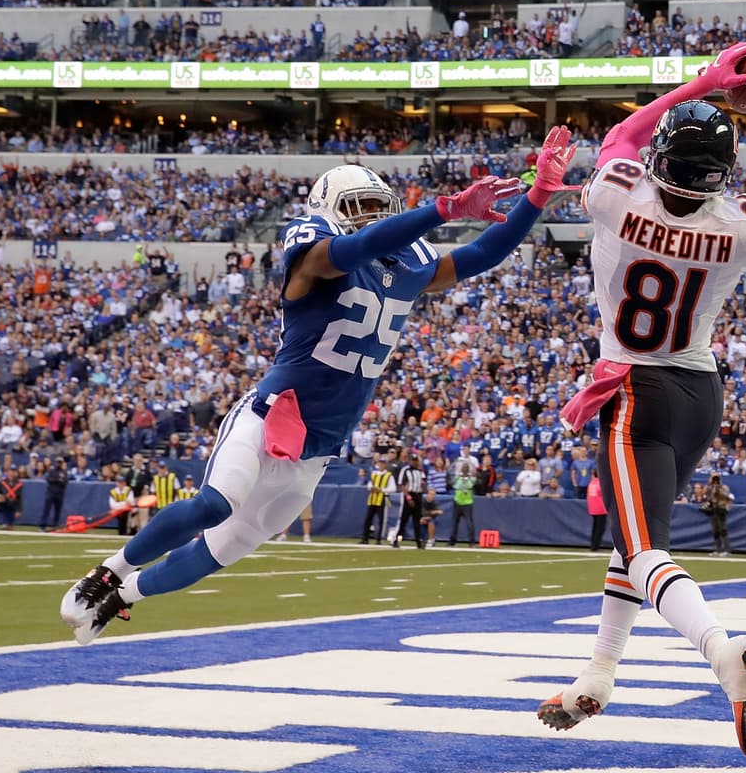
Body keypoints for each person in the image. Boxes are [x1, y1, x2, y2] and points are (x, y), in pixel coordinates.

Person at [60, 125, 578, 645]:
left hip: (319, 448)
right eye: (359, 208)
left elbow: (483, 254)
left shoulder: (410, 264)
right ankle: (108, 571)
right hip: (270, 415)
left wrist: (536, 198)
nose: (374, 217)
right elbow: (350, 252)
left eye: (380, 205)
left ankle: (123, 598)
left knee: (221, 550)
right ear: (328, 209)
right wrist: (441, 211)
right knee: (215, 504)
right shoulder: (314, 249)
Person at [536, 41, 746, 758]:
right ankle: (599, 675)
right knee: (635, 540)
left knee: (644, 545)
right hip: (700, 392)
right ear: (719, 174)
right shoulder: (739, 229)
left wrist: (702, 82)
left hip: (635, 390)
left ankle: (722, 651)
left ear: (660, 161)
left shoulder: (619, 194)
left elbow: (621, 137)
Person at [391, 449, 429, 547]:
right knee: (404, 519)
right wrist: (408, 497)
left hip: (418, 495)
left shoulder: (420, 471)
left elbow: (424, 483)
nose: (415, 462)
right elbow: (402, 485)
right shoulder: (405, 470)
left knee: (417, 520)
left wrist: (424, 485)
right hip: (409, 495)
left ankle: (418, 541)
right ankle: (395, 539)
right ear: (410, 461)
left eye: (416, 460)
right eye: (413, 460)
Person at [360, 456, 395, 544]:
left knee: (381, 520)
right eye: (380, 463)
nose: (381, 465)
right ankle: (365, 538)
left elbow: (393, 488)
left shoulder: (389, 475)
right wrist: (372, 488)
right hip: (372, 499)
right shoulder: (374, 474)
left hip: (382, 499)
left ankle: (379, 539)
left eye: (383, 463)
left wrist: (381, 490)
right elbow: (369, 485)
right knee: (368, 519)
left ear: (385, 465)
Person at [702, 472, 734, 556]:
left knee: (722, 529)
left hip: (721, 509)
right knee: (715, 530)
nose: (715, 480)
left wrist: (718, 489)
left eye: (716, 478)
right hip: (713, 509)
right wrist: (709, 483)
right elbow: (704, 493)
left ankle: (727, 550)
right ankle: (718, 549)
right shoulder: (710, 487)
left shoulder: (724, 487)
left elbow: (726, 497)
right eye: (714, 478)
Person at [448, 461, 476, 546]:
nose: (464, 470)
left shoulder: (472, 479)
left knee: (469, 523)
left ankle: (471, 542)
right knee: (454, 523)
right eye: (463, 468)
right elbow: (453, 484)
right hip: (457, 502)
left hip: (467, 503)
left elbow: (470, 486)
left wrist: (467, 479)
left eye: (466, 468)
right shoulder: (457, 477)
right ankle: (452, 541)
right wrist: (460, 478)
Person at [41, 456, 70, 531]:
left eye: (60, 462)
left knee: (58, 510)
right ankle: (43, 525)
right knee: (46, 509)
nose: (58, 464)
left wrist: (57, 480)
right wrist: (58, 480)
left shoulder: (64, 472)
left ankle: (55, 525)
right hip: (51, 492)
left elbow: (65, 482)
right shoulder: (51, 471)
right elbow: (49, 479)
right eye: (58, 462)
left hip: (59, 493)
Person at [587, 471, 607, 550]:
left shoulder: (591, 483)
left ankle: (593, 544)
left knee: (595, 527)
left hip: (593, 508)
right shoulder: (601, 483)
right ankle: (595, 545)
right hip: (601, 508)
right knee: (600, 528)